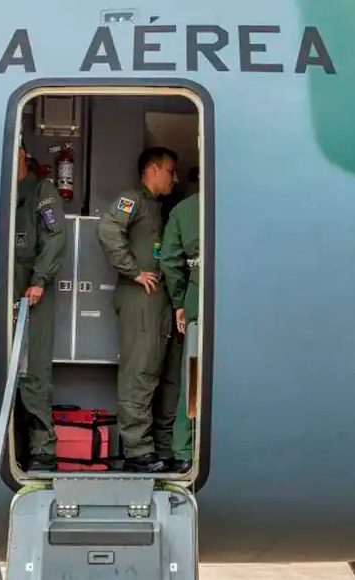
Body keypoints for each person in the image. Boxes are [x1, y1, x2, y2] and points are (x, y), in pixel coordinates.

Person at [97, 147, 181, 473]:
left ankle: (159, 447)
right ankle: (137, 451)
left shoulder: (158, 208)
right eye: (170, 171)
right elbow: (108, 229)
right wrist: (133, 271)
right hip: (140, 300)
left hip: (158, 303)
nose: (175, 178)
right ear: (153, 169)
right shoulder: (132, 200)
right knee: (139, 372)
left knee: (160, 374)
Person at [14, 145, 66, 471]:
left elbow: (55, 237)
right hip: (1, 291)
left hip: (32, 294)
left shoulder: (41, 191)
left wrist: (40, 280)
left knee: (33, 372)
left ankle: (43, 450)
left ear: (22, 154)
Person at [160, 184, 200, 474]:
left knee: (194, 374)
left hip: (199, 294)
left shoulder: (184, 210)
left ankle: (185, 451)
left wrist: (180, 302)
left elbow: (170, 260)